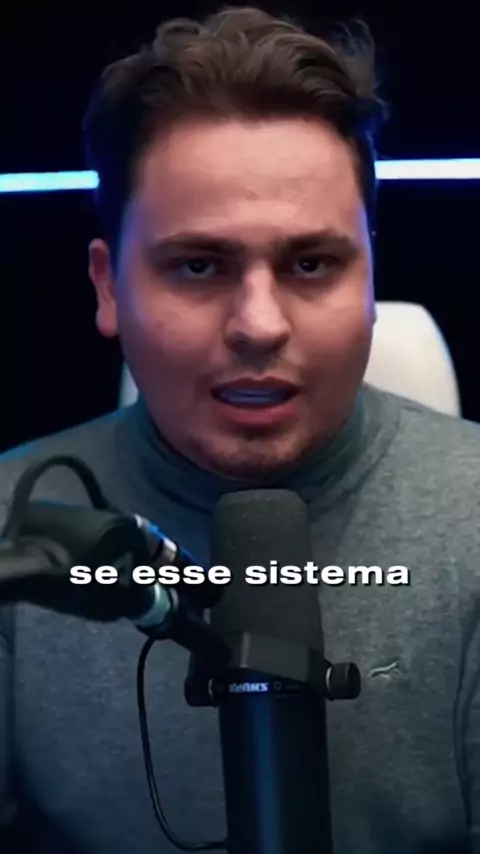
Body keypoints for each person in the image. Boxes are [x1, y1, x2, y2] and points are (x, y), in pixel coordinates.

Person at [0, 6, 479, 852]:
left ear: (371, 275)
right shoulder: (10, 537)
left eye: (311, 263)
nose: (260, 325)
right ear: (108, 287)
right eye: (199, 265)